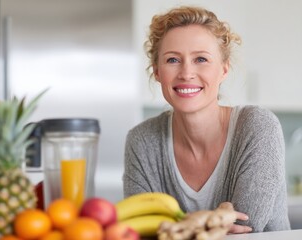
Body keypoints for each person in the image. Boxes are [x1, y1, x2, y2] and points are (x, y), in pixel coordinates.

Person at [123, 6, 290, 233]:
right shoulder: (142, 140)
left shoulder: (257, 127)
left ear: (223, 70)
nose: (186, 73)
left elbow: (244, 229)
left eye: (201, 59)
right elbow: (136, 232)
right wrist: (213, 220)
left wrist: (176, 229)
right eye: (172, 60)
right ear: (157, 72)